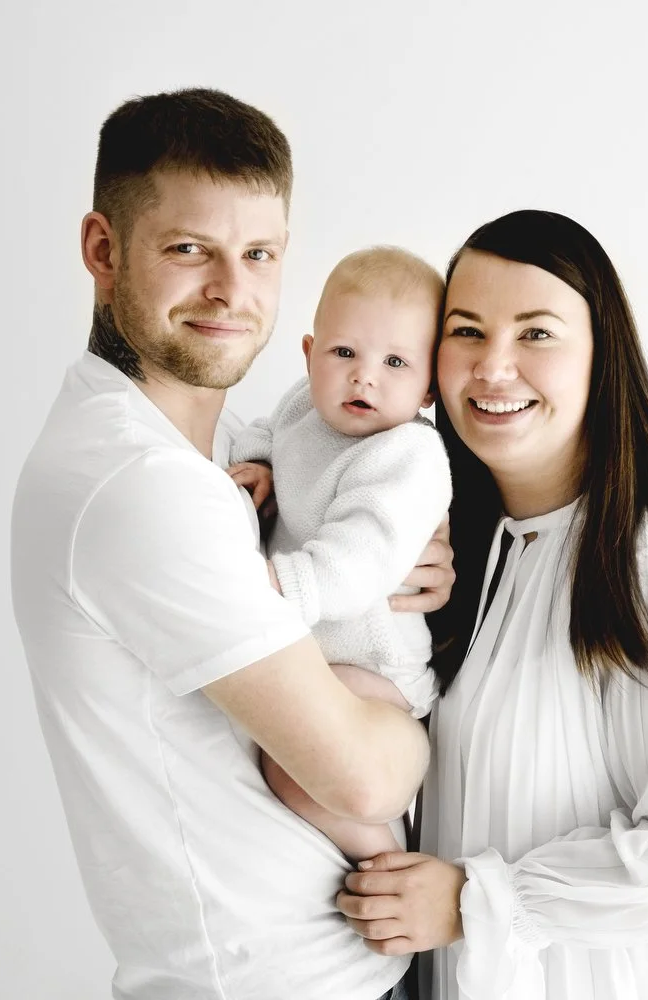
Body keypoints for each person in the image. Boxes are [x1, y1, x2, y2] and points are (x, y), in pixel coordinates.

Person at [10, 88, 451, 1000]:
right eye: (188, 250)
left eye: (258, 254)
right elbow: (364, 778)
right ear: (102, 250)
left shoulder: (219, 451)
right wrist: (412, 735)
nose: (230, 291)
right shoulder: (141, 486)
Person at [335, 210, 648, 999]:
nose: (493, 367)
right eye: (467, 331)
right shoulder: (465, 553)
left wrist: (476, 900)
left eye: (536, 334)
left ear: (600, 357)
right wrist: (266, 475)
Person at [227, 246, 452, 861]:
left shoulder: (408, 456)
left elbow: (363, 562)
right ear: (309, 354)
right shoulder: (306, 405)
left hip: (375, 670)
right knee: (280, 758)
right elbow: (270, 430)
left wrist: (274, 587)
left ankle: (382, 855)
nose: (364, 376)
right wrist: (257, 464)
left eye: (396, 362)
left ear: (430, 385)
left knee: (293, 769)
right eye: (344, 352)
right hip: (322, 650)